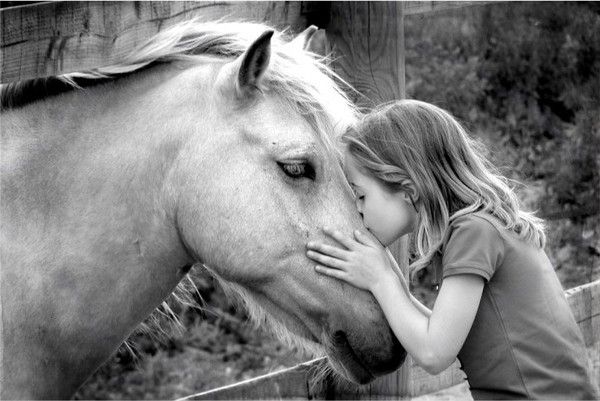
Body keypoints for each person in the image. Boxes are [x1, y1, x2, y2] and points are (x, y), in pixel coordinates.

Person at [306, 99, 598, 399]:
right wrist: (383, 278)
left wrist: (381, 279)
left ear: (407, 189)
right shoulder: (481, 227)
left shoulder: (473, 232)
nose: (358, 209)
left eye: (360, 195)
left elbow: (434, 352)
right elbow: (437, 330)